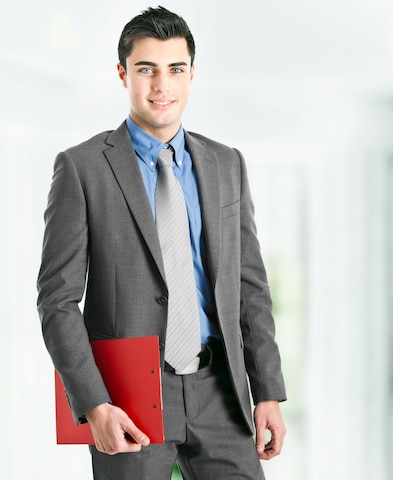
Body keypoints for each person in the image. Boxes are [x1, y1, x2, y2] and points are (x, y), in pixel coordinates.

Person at [36, 6, 286, 479]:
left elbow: (249, 285)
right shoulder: (82, 168)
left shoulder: (226, 164)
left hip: (221, 392)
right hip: (129, 396)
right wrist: (94, 405)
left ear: (192, 74)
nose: (161, 85)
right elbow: (57, 301)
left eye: (175, 69)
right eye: (145, 69)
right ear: (122, 74)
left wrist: (267, 390)